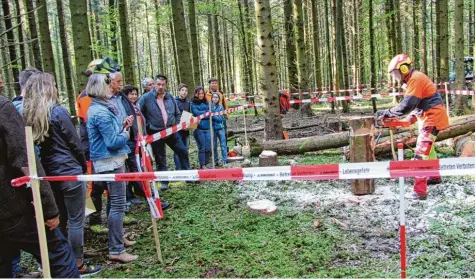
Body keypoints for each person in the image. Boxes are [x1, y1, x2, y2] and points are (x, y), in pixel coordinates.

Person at [0, 75, 80, 278]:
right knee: (59, 252)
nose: (2, 80)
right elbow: (24, 160)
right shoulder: (5, 108)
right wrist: (48, 208)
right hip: (13, 208)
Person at [22, 72, 102, 276]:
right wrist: (82, 166)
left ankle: (63, 259)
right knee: (76, 220)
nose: (57, 89)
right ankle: (77, 263)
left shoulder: (30, 115)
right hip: (68, 172)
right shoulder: (57, 112)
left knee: (62, 220)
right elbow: (74, 142)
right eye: (54, 85)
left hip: (49, 176)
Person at [375, 54, 449, 200]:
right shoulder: (412, 80)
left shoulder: (416, 78)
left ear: (404, 68)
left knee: (420, 154)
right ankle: (434, 176)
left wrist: (387, 112)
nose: (396, 77)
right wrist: (404, 120)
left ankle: (419, 191)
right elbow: (417, 105)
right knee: (430, 150)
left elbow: (406, 106)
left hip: (432, 118)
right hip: (428, 116)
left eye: (396, 73)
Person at [86, 74, 138, 263]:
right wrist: (126, 132)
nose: (110, 88)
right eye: (107, 84)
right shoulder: (99, 112)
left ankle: (118, 237)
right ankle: (116, 249)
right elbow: (113, 141)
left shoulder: (101, 108)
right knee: (117, 205)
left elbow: (110, 135)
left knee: (115, 204)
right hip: (110, 163)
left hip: (112, 161)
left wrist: (123, 125)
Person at [138, 74, 191, 190]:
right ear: (154, 85)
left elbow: (177, 113)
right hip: (156, 133)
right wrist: (147, 127)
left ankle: (189, 176)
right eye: (158, 84)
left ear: (166, 84)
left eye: (163, 84)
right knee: (160, 158)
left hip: (172, 131)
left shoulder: (170, 97)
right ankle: (164, 182)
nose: (160, 87)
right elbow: (138, 113)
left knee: (183, 151)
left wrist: (177, 125)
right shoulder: (146, 98)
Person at [119, 85, 145, 204]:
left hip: (137, 140)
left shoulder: (136, 107)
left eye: (135, 94)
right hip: (128, 141)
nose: (134, 96)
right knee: (133, 168)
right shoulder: (123, 108)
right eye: (131, 94)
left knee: (136, 167)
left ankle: (134, 194)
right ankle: (144, 194)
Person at [191, 86, 212, 169]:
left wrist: (203, 114)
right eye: (199, 93)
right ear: (196, 94)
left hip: (208, 128)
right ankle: (202, 164)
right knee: (202, 147)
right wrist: (205, 113)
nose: (201, 95)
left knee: (208, 147)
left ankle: (207, 163)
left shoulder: (206, 102)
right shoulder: (192, 103)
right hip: (198, 129)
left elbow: (210, 112)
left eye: (202, 93)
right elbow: (196, 113)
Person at [174, 83, 192, 170]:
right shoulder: (175, 101)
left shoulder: (188, 102)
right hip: (177, 129)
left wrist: (190, 124)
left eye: (186, 90)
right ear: (179, 91)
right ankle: (179, 168)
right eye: (182, 90)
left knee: (185, 149)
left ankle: (185, 167)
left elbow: (189, 114)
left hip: (186, 129)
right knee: (178, 149)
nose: (184, 92)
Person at [211, 92, 228, 166]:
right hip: (212, 129)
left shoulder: (221, 107)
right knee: (214, 146)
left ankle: (225, 160)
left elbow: (220, 119)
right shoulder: (210, 107)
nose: (215, 98)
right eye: (214, 97)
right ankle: (215, 161)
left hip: (221, 128)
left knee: (223, 145)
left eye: (216, 97)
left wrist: (212, 115)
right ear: (211, 98)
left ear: (219, 99)